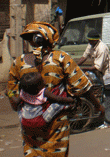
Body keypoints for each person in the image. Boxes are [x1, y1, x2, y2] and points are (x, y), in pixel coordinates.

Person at [6, 21, 103, 157]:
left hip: (29, 126)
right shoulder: (60, 58)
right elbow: (82, 87)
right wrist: (98, 106)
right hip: (56, 126)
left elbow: (13, 100)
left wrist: (12, 96)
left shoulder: (18, 62)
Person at [77, 29, 110, 129]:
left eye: (90, 40)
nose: (89, 42)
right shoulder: (91, 45)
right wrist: (76, 65)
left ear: (95, 40)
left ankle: (108, 122)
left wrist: (83, 68)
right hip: (102, 73)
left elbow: (97, 67)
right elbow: (84, 56)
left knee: (109, 97)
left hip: (108, 73)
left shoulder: (102, 48)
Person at [11, 72, 76, 130]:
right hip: (40, 121)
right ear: (38, 86)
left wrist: (9, 93)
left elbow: (16, 102)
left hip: (24, 121)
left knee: (20, 106)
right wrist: (70, 100)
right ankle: (69, 106)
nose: (44, 80)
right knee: (56, 105)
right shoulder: (43, 92)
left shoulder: (23, 93)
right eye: (42, 80)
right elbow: (58, 99)